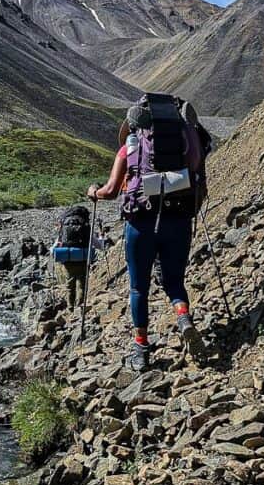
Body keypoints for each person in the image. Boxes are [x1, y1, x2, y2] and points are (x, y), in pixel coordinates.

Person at [87, 95, 208, 371]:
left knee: (139, 287)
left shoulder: (129, 148)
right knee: (174, 282)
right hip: (178, 219)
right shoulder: (187, 140)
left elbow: (110, 191)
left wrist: (93, 191)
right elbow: (198, 177)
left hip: (140, 223)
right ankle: (183, 316)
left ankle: (141, 348)